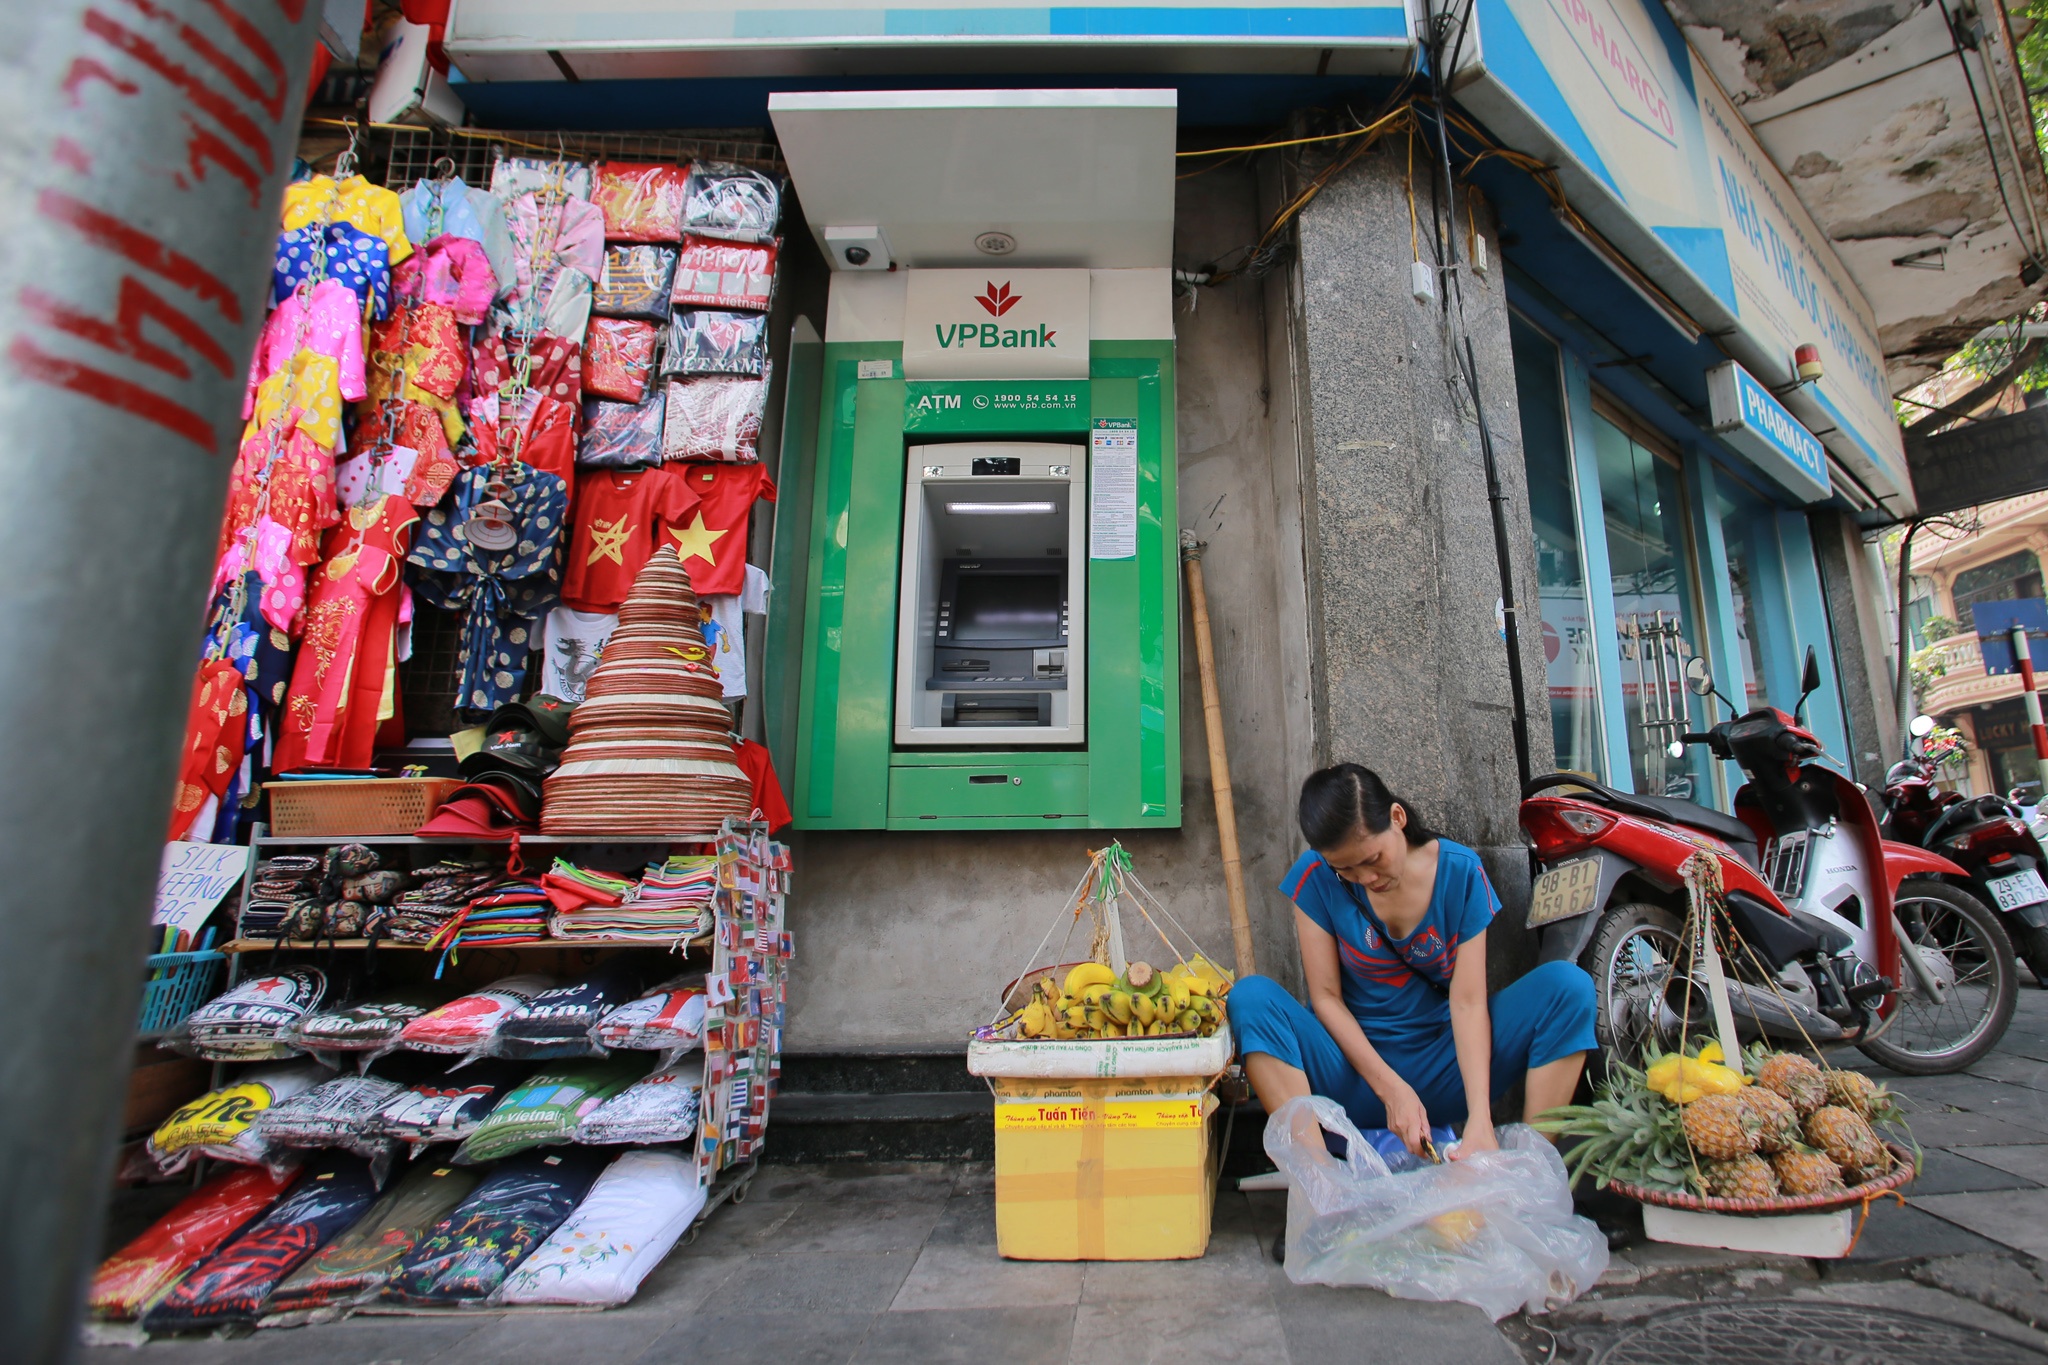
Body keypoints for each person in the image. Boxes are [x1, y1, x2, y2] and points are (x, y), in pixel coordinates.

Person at [1228, 763, 1597, 1158]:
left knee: (1568, 988)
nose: (1365, 877)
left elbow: (1468, 1002)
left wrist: (1479, 1121)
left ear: (1397, 818)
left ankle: (1534, 1170)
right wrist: (1393, 1091)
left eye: (1372, 859)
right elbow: (1326, 999)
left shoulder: (1460, 873)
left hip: (1441, 1069)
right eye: (1346, 869)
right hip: (1350, 1074)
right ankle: (1320, 1181)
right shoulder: (1316, 877)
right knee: (1250, 997)